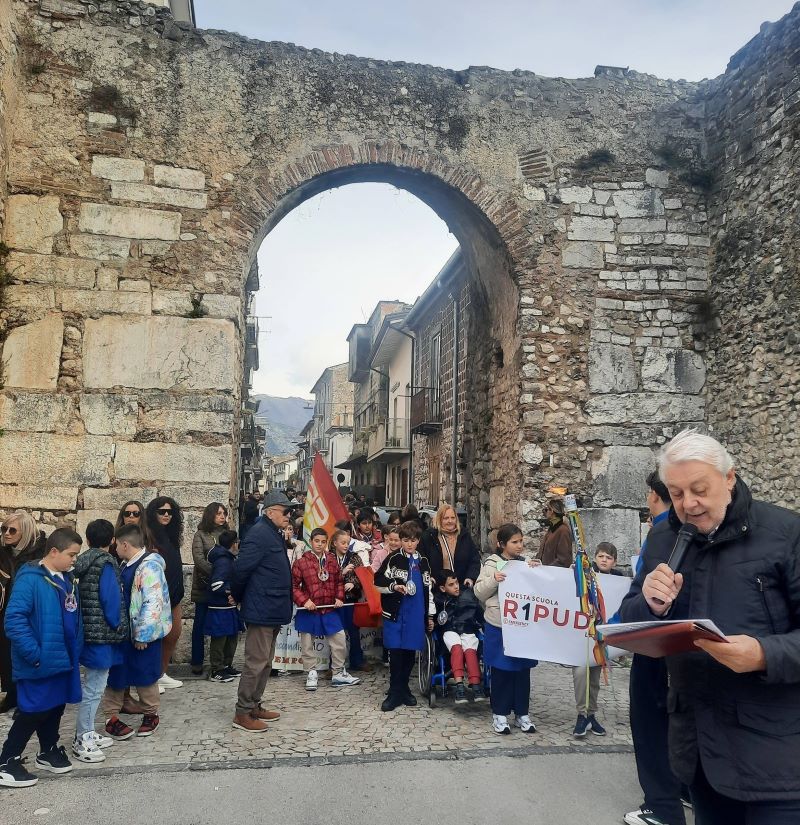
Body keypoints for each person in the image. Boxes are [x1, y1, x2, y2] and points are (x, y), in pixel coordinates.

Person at [619, 429, 800, 824]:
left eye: (699, 490)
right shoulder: (663, 537)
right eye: (677, 493)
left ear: (729, 478)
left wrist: (763, 655)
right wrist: (650, 604)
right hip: (701, 753)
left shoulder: (786, 534)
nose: (689, 504)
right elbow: (630, 620)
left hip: (780, 759)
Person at [624, 471, 688, 825]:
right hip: (676, 639)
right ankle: (684, 790)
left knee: (651, 720)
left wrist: (614, 630)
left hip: (656, 642)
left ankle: (662, 806)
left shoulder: (661, 532)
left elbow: (641, 593)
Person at [0, 528, 83, 788]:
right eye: (71, 554)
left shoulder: (67, 578)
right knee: (34, 709)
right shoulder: (30, 579)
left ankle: (47, 750)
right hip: (39, 659)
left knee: (55, 705)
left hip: (63, 658)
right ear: (54, 551)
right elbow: (14, 620)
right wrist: (35, 654)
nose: (74, 560)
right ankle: (6, 761)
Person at [230, 490, 293, 732]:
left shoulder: (271, 532)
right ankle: (243, 712)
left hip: (272, 606)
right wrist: (237, 596)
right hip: (262, 607)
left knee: (266, 662)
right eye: (285, 511)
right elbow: (241, 570)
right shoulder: (258, 534)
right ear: (270, 512)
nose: (289, 515)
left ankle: (254, 704)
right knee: (256, 662)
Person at [103, 525, 171, 741]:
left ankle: (151, 714)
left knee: (145, 675)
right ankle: (111, 716)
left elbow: (153, 602)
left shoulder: (149, 567)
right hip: (124, 633)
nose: (115, 548)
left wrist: (143, 634)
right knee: (117, 674)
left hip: (142, 635)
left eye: (117, 545)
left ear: (125, 544)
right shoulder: (126, 565)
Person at [71, 519, 127, 763]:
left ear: (88, 539)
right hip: (102, 635)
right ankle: (82, 736)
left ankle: (88, 730)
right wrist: (119, 625)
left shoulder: (81, 562)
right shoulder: (106, 563)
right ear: (112, 540)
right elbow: (110, 599)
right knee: (94, 688)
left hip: (88, 632)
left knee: (93, 685)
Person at [474, 524, 538, 735]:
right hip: (499, 624)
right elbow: (479, 592)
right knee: (502, 670)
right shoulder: (492, 564)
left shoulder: (525, 563)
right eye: (514, 542)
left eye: (521, 541)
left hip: (522, 625)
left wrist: (538, 571)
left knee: (522, 670)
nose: (519, 545)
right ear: (502, 544)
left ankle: (522, 713)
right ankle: (500, 714)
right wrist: (494, 580)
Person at [375, 520, 435, 712]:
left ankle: (404, 688)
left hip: (416, 613)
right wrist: (394, 586)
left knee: (409, 652)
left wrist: (430, 615)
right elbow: (378, 581)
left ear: (418, 541)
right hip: (396, 613)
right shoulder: (393, 559)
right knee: (396, 652)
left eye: (413, 540)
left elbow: (428, 590)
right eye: (406, 540)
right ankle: (394, 691)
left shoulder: (424, 561)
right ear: (400, 540)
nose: (410, 544)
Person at [292, 528, 361, 690]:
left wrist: (339, 597)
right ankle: (311, 672)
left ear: (326, 543)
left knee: (339, 639)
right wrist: (304, 601)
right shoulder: (301, 562)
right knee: (307, 643)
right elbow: (293, 586)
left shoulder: (331, 560)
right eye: (317, 541)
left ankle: (338, 672)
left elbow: (339, 581)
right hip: (309, 609)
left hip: (329, 608)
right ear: (311, 542)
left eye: (323, 542)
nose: (320, 544)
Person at [0, 511, 47, 714]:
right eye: (4, 529)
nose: (6, 533)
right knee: (5, 653)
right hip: (5, 609)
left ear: (25, 532)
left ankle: (27, 698)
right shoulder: (3, 552)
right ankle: (12, 693)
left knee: (26, 653)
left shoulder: (40, 553)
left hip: (30, 610)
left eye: (12, 530)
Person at [571, 542, 619, 739]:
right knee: (581, 673)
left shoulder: (619, 579)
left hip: (600, 637)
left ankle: (591, 715)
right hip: (581, 635)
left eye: (608, 558)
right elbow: (566, 578)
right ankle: (581, 714)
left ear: (615, 562)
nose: (604, 560)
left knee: (595, 678)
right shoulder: (585, 574)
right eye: (601, 556)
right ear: (595, 558)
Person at [144, 496, 184, 689]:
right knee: (156, 637)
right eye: (162, 511)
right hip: (157, 595)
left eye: (170, 512)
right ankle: (151, 677)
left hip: (174, 593)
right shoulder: (148, 536)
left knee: (173, 634)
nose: (166, 515)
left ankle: (161, 672)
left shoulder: (171, 536)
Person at [433, 569, 485, 703]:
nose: (456, 586)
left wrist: (484, 627)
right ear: (442, 588)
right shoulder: (439, 600)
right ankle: (459, 685)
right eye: (451, 585)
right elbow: (433, 617)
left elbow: (479, 614)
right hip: (449, 629)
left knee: (470, 650)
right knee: (457, 648)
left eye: (456, 583)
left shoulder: (468, 596)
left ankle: (476, 684)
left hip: (467, 628)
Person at [190, 502, 229, 675]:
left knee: (222, 625)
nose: (222, 516)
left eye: (224, 513)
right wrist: (217, 573)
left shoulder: (226, 534)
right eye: (218, 513)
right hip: (204, 586)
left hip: (221, 588)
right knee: (199, 624)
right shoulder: (200, 535)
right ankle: (197, 661)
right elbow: (198, 559)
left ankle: (221, 662)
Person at [205, 529, 242, 683]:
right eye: (238, 542)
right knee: (220, 639)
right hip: (219, 607)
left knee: (231, 638)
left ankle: (226, 665)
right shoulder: (223, 561)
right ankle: (216, 669)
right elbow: (216, 585)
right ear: (233, 544)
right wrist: (231, 592)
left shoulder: (229, 559)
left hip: (228, 607)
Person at [420, 503, 481, 588]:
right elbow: (422, 560)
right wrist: (428, 577)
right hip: (437, 587)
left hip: (461, 585)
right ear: (439, 519)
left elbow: (474, 559)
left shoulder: (464, 536)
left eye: (453, 518)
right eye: (446, 518)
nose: (450, 521)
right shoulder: (429, 537)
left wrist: (470, 577)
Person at [535, 499, 573, 568]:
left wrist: (547, 569)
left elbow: (563, 559)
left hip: (553, 572)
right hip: (545, 571)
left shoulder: (563, 530)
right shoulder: (552, 528)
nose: (545, 512)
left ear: (552, 511)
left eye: (546, 510)